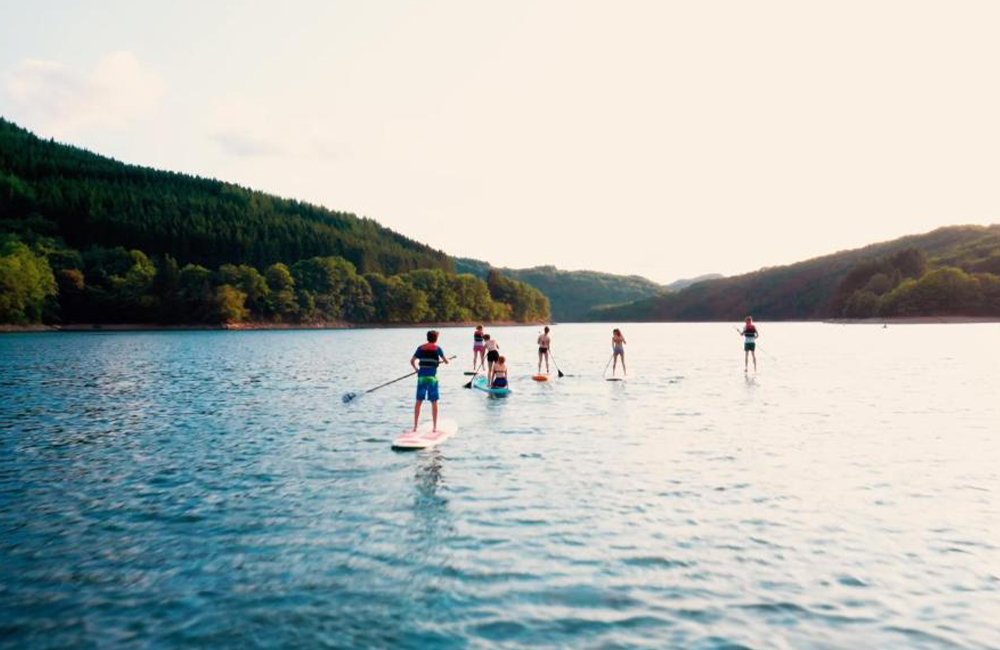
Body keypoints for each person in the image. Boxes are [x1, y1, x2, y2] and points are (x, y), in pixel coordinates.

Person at [411, 330, 449, 431]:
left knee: (419, 401)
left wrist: (416, 370)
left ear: (427, 337)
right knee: (434, 402)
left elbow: (412, 361)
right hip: (432, 378)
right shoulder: (438, 348)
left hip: (421, 378)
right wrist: (446, 361)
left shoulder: (420, 348)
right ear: (436, 339)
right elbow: (446, 361)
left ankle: (415, 427)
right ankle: (434, 427)